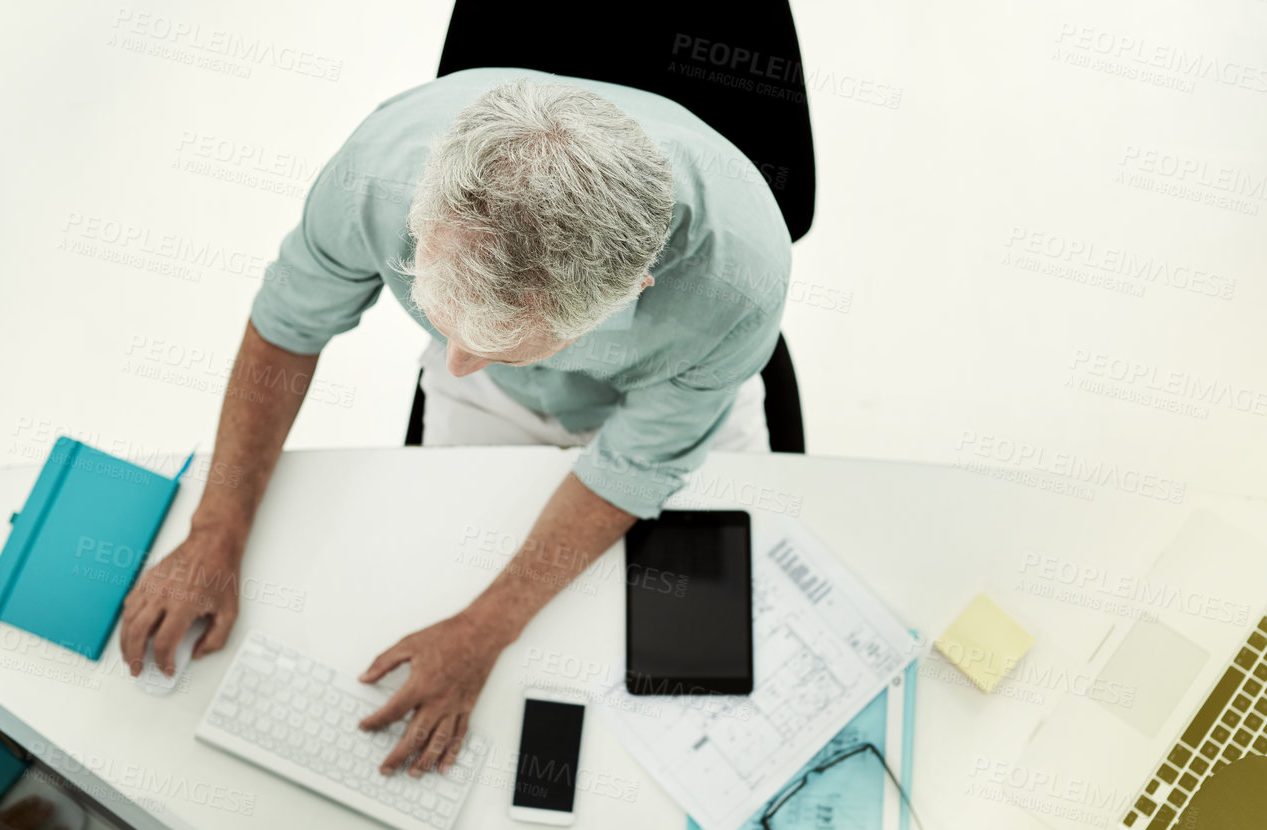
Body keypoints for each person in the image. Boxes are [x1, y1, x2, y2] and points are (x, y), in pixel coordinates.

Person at [121, 68, 791, 779]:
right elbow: (287, 327)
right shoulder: (377, 174)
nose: (459, 364)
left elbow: (634, 465)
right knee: (429, 566)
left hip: (681, 401)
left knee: (709, 648)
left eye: (497, 343)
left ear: (632, 292)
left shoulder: (739, 278)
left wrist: (483, 630)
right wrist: (215, 529)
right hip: (515, 404)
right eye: (441, 320)